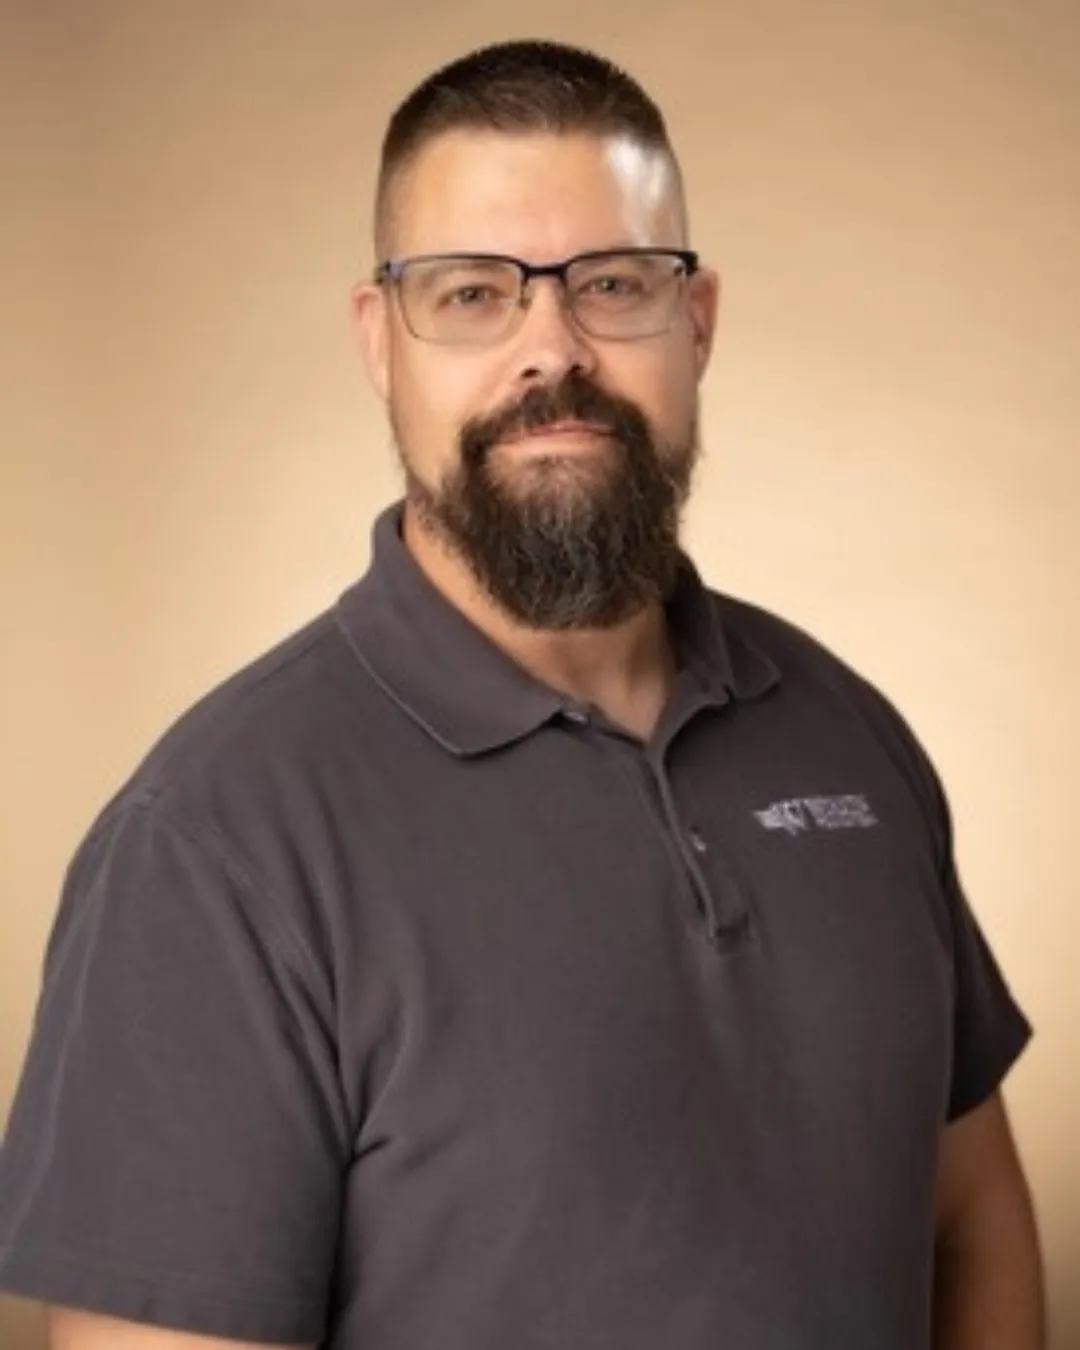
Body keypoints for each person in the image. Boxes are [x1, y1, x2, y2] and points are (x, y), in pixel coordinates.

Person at [0, 39, 1044, 1350]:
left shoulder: (849, 733)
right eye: (473, 293)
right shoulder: (212, 848)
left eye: (612, 283)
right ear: (381, 342)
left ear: (698, 320)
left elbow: (969, 1220)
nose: (552, 350)